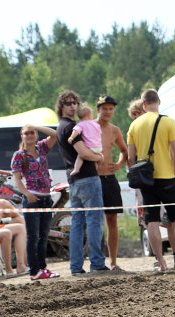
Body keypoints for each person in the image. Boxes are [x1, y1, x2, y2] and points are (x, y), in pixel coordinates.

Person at [127, 89, 175, 272]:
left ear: (143, 104)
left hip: (146, 181)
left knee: (151, 221)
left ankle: (161, 263)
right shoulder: (168, 122)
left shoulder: (134, 125)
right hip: (167, 177)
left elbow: (130, 158)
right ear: (158, 102)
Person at [55, 90, 107, 275]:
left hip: (73, 180)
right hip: (87, 177)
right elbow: (84, 152)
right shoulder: (71, 127)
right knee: (94, 221)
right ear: (61, 106)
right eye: (68, 103)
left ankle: (76, 266)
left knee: (77, 224)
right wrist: (99, 157)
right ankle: (97, 263)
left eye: (75, 102)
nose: (73, 106)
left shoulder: (61, 126)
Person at [11, 124, 61, 281]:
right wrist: (27, 194)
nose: (29, 135)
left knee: (44, 235)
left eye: (32, 132)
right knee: (33, 236)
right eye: (26, 133)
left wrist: (36, 126)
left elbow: (55, 134)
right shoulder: (19, 155)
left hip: (46, 197)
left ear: (36, 135)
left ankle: (42, 268)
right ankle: (34, 271)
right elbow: (17, 179)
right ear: (22, 136)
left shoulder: (42, 148)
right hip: (32, 199)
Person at [95, 95, 129, 272]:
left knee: (112, 220)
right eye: (104, 108)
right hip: (93, 179)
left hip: (109, 178)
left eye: (110, 109)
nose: (107, 112)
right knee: (94, 220)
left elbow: (124, 150)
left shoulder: (114, 130)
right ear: (98, 110)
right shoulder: (89, 127)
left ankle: (114, 261)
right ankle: (97, 261)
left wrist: (119, 164)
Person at [67, 104, 103, 176]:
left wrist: (71, 137)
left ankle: (76, 169)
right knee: (96, 159)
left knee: (81, 155)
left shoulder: (81, 124)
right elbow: (100, 133)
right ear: (89, 115)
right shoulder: (96, 125)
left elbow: (76, 130)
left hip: (90, 147)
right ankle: (96, 169)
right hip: (99, 147)